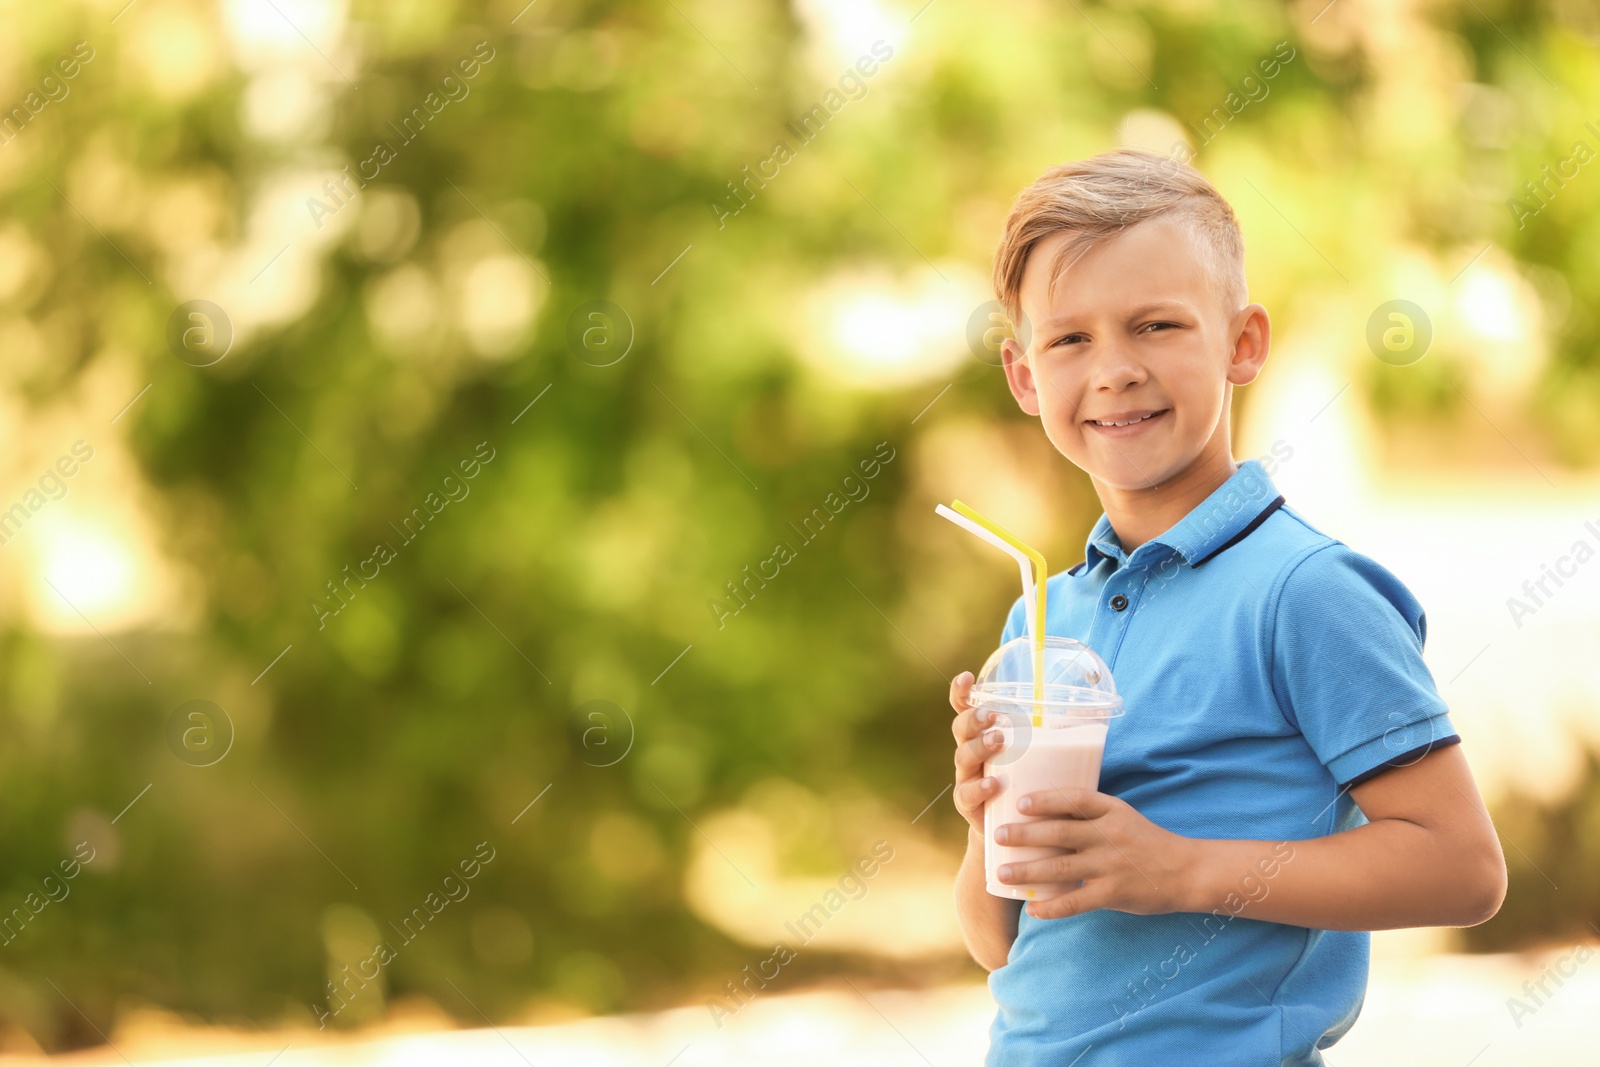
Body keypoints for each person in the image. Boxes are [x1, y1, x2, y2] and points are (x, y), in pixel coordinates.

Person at [947, 147, 1507, 1065]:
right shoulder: (1041, 618)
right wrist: (987, 826)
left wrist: (1178, 869)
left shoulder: (1305, 592)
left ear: (1243, 343)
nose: (1115, 368)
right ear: (1023, 376)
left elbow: (1462, 867)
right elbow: (998, 940)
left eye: (1156, 324)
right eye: (1070, 339)